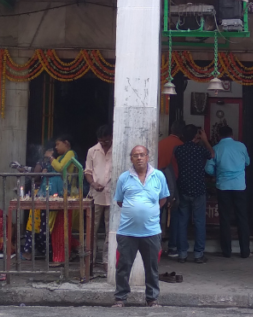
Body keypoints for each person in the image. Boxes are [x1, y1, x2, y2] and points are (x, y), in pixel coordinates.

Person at [112, 145, 170, 308]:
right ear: (131, 159)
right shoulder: (124, 177)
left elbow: (163, 199)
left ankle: (152, 299)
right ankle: (120, 298)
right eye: (135, 155)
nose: (139, 158)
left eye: (142, 155)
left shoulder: (158, 176)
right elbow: (120, 201)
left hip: (151, 231)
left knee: (151, 268)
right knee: (123, 266)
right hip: (127, 232)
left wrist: (149, 211)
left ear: (147, 156)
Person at [205, 125, 251, 258]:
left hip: (223, 187)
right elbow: (247, 162)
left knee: (224, 218)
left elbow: (208, 169)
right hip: (239, 186)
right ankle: (245, 251)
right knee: (242, 217)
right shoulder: (241, 146)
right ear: (232, 135)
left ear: (219, 136)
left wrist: (217, 173)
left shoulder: (216, 148)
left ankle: (227, 251)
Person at [173, 124, 213, 264]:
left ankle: (182, 254)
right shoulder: (201, 149)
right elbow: (212, 154)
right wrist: (205, 140)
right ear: (197, 136)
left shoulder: (178, 150)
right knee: (199, 222)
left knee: (182, 221)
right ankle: (198, 254)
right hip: (198, 189)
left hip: (183, 188)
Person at [45, 135, 81, 264]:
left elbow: (61, 168)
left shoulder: (70, 154)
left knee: (61, 227)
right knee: (58, 228)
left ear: (66, 143)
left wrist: (51, 158)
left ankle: (61, 257)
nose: (56, 147)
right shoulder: (60, 157)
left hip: (68, 195)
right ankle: (76, 248)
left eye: (58, 144)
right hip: (60, 195)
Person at [84, 124, 113, 266]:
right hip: (95, 195)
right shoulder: (92, 151)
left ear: (111, 138)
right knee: (92, 228)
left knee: (110, 229)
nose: (104, 143)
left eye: (106, 141)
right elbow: (88, 171)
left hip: (113, 196)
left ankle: (107, 259)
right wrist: (93, 184)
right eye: (101, 141)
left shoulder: (117, 149)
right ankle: (91, 258)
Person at [157, 123, 184, 255]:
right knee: (175, 214)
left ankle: (156, 246)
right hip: (173, 182)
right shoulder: (181, 145)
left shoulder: (160, 143)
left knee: (157, 214)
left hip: (157, 182)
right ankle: (173, 247)